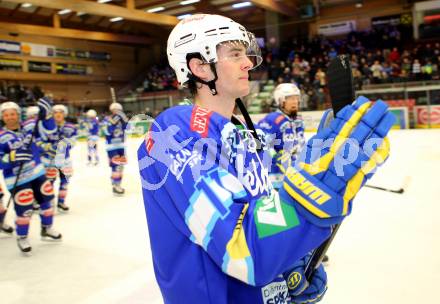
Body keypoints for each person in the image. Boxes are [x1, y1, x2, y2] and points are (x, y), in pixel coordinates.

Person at [138, 14, 394, 304]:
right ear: (199, 67)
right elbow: (240, 248)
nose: (247, 62)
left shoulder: (242, 134)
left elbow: (260, 217)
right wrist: (313, 190)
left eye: (245, 54)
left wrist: (288, 265)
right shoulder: (173, 133)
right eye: (234, 54)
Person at [0, 99, 62, 253]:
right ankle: (22, 236)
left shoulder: (29, 127)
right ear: (2, 117)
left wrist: (47, 116)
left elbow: (50, 130)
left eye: (13, 114)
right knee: (25, 208)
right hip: (17, 178)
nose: (10, 117)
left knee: (47, 202)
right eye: (6, 115)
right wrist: (11, 158)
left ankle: (46, 228)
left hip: (37, 172)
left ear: (18, 115)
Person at [258, 83, 305, 190]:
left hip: (296, 174)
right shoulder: (272, 120)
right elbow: (261, 145)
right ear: (280, 100)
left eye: (296, 98)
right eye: (290, 98)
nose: (294, 101)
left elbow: (300, 145)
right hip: (276, 177)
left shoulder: (299, 120)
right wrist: (277, 157)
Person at [38, 104, 77, 212]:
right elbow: (40, 141)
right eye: (55, 112)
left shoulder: (70, 127)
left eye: (60, 112)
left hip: (65, 160)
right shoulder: (46, 127)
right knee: (49, 182)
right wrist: (47, 147)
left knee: (65, 181)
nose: (58, 114)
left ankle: (61, 202)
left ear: (64, 114)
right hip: (49, 160)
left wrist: (64, 145)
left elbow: (73, 141)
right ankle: (49, 202)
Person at [102, 102, 128, 195]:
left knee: (121, 166)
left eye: (119, 111)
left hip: (121, 145)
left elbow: (128, 128)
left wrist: (124, 119)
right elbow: (107, 132)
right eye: (115, 110)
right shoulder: (106, 119)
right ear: (112, 110)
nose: (117, 112)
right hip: (112, 146)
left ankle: (118, 184)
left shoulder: (121, 119)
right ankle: (115, 185)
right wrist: (113, 122)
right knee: (116, 165)